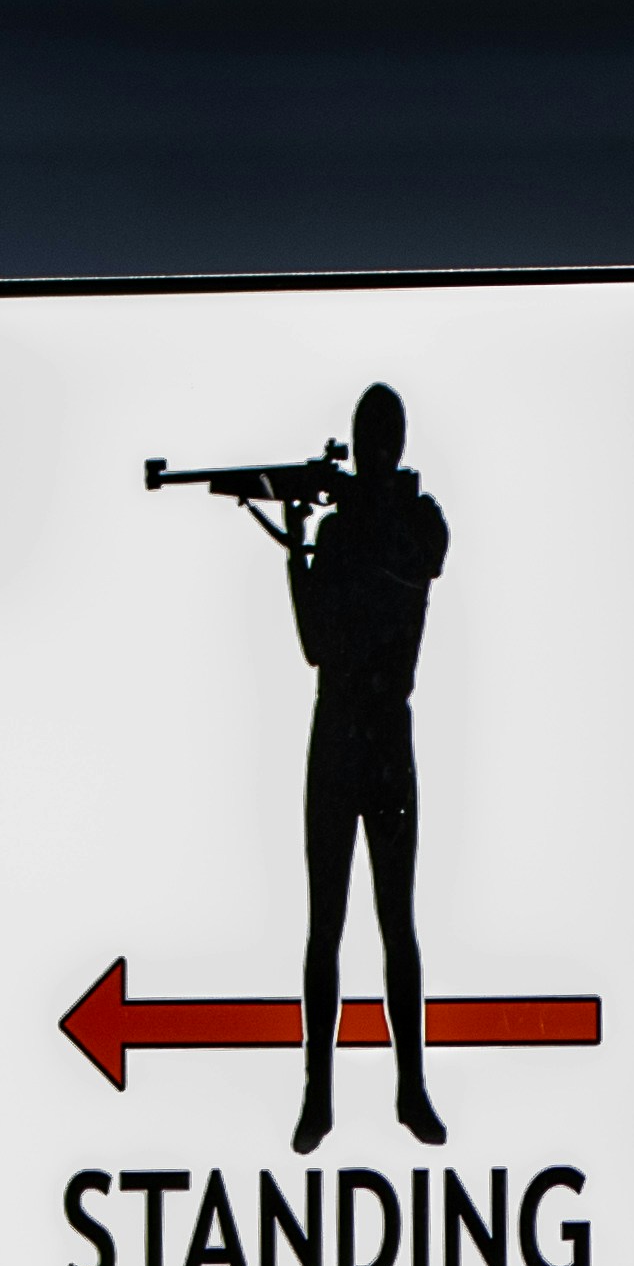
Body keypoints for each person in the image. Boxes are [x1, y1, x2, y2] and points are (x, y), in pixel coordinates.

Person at [274, 381, 447, 1149]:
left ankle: (411, 1089)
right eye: (367, 433)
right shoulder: (343, 533)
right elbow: (314, 640)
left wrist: (343, 521)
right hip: (337, 731)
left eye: (384, 434)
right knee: (325, 928)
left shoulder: (416, 521)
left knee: (394, 926)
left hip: (382, 733)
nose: (376, 446)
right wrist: (298, 541)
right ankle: (319, 1096)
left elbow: (417, 565)